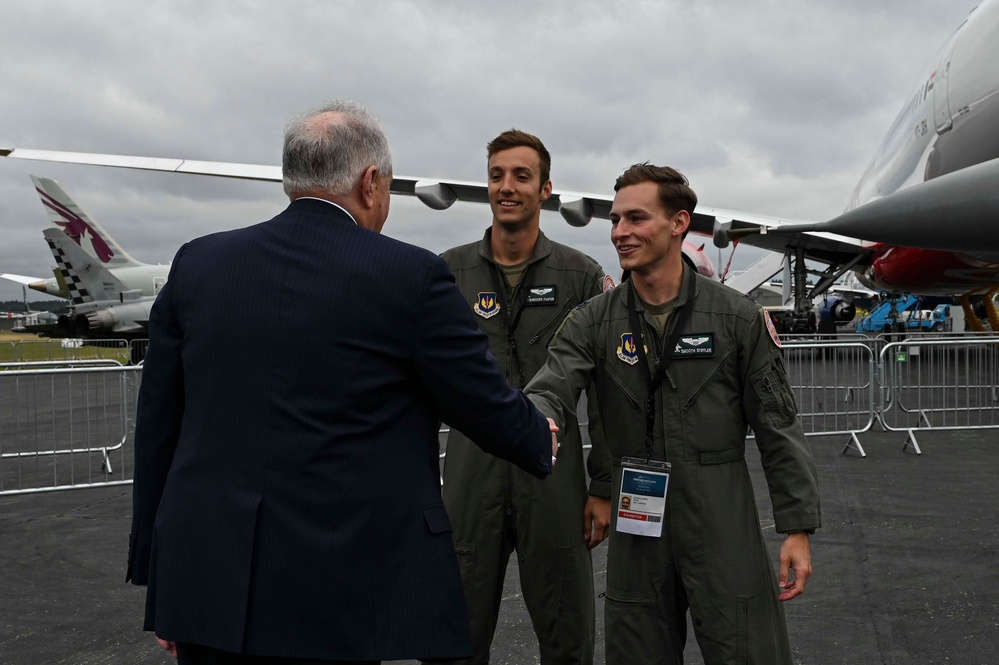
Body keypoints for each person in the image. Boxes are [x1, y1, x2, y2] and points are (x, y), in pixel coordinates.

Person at [126, 101, 559, 665]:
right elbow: (480, 399)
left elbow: (159, 425)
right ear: (371, 182)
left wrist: (164, 580)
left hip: (211, 585)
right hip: (338, 589)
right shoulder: (409, 274)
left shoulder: (198, 264)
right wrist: (538, 436)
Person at [525, 163, 821, 664]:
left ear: (679, 223)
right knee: (636, 647)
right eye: (616, 221)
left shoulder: (736, 318)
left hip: (720, 512)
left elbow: (777, 425)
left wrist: (797, 529)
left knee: (746, 647)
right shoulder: (594, 320)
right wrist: (531, 417)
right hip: (638, 518)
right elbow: (552, 386)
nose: (620, 232)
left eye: (636, 219)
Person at [439, 129, 613, 665]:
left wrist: (603, 484)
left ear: (545, 189)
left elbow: (606, 393)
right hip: (471, 472)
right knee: (456, 630)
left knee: (567, 630)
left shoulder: (580, 275)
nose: (506, 187)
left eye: (521, 176)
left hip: (554, 473)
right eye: (496, 176)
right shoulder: (448, 273)